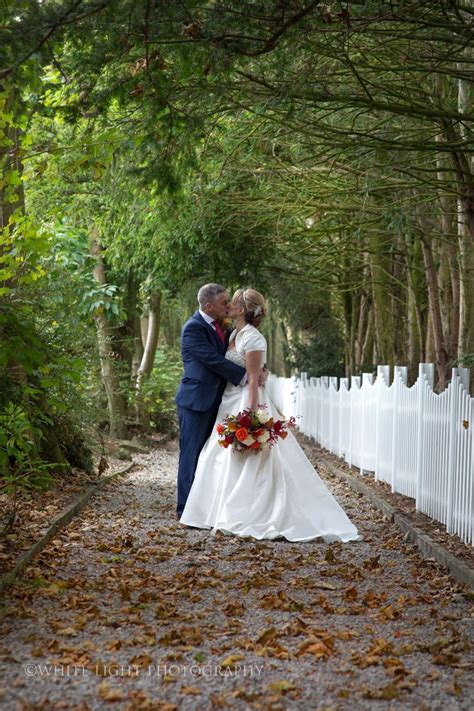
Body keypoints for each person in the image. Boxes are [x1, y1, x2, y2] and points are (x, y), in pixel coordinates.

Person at [180, 287, 360, 542]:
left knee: (245, 459)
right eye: (224, 301)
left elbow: (253, 380)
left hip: (245, 401)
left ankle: (248, 512)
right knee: (215, 456)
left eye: (231, 302)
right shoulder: (232, 332)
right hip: (227, 399)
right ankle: (207, 511)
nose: (227, 305)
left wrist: (250, 417)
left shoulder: (253, 338)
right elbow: (218, 362)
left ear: (241, 309)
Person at [175, 284, 247, 518]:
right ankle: (185, 510)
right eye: (224, 302)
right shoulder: (193, 329)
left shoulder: (221, 326)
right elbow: (212, 359)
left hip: (219, 400)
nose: (228, 306)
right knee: (191, 455)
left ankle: (205, 509)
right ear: (208, 306)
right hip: (196, 402)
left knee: (210, 457)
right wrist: (245, 375)